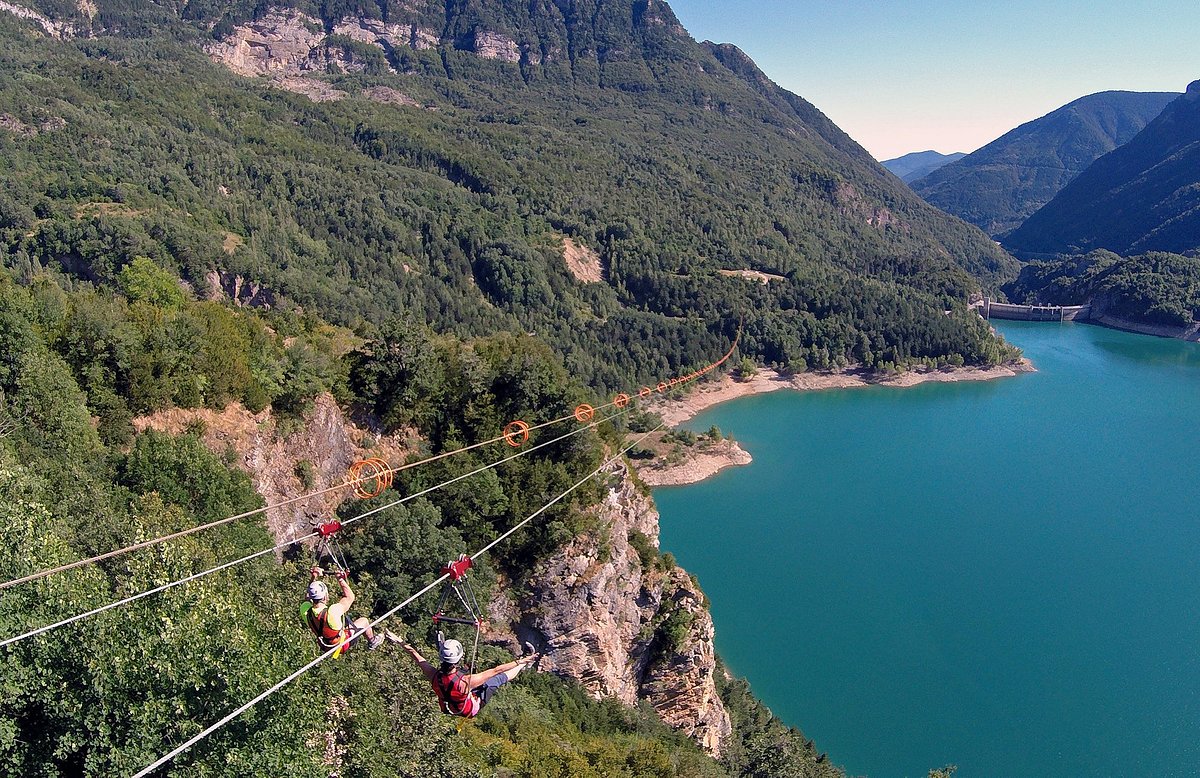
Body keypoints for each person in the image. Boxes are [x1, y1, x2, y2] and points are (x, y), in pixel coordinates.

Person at [393, 634, 541, 717]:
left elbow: (417, 657)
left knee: (464, 676)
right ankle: (524, 665)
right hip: (470, 707)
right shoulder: (467, 681)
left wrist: (400, 641)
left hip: (451, 704)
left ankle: (523, 662)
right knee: (498, 679)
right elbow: (497, 670)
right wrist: (520, 661)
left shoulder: (433, 675)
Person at [302, 565, 385, 654]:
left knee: (345, 620)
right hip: (340, 645)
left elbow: (308, 596)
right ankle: (372, 641)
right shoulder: (332, 612)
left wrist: (313, 577)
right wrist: (340, 579)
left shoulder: (306, 610)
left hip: (326, 646)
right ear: (325, 596)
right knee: (364, 621)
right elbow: (350, 597)